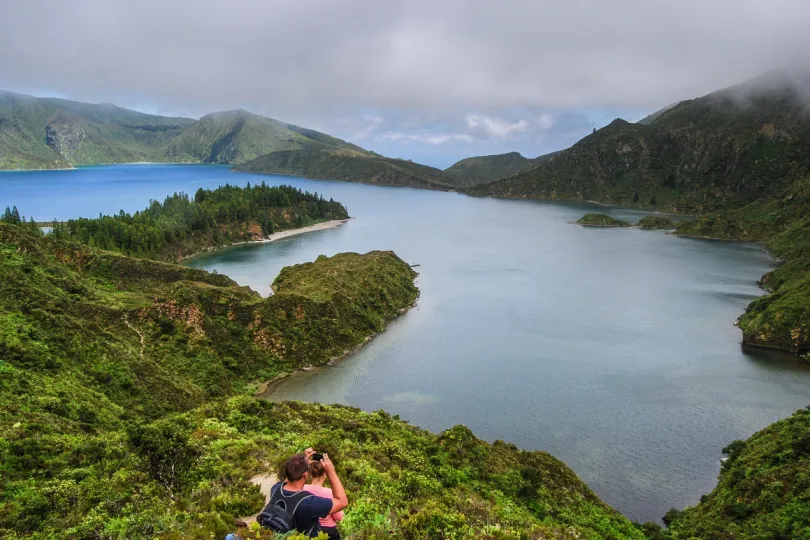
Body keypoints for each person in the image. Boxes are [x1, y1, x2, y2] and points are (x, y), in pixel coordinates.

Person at [265, 448, 348, 537]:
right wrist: (331, 471)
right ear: (305, 474)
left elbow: (287, 479)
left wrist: (299, 464)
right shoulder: (308, 503)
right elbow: (342, 502)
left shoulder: (275, 489)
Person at [304, 461, 344, 540]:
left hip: (307, 530)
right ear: (325, 475)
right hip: (328, 531)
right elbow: (339, 517)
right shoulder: (330, 493)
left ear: (311, 475)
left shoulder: (303, 489)